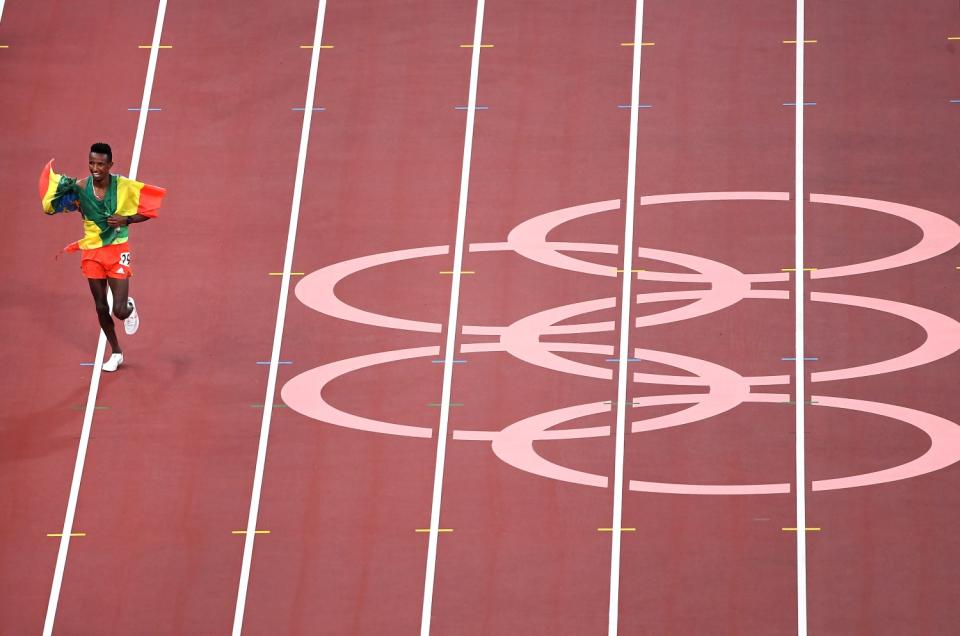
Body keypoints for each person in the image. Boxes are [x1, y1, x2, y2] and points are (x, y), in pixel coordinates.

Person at [39, 143, 165, 372]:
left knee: (118, 310)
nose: (95, 168)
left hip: (118, 249)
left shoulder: (124, 185)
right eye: (91, 163)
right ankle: (116, 352)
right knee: (100, 306)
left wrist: (126, 220)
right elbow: (52, 205)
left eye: (100, 164)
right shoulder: (80, 187)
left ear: (110, 165)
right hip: (92, 251)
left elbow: (149, 209)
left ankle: (128, 307)